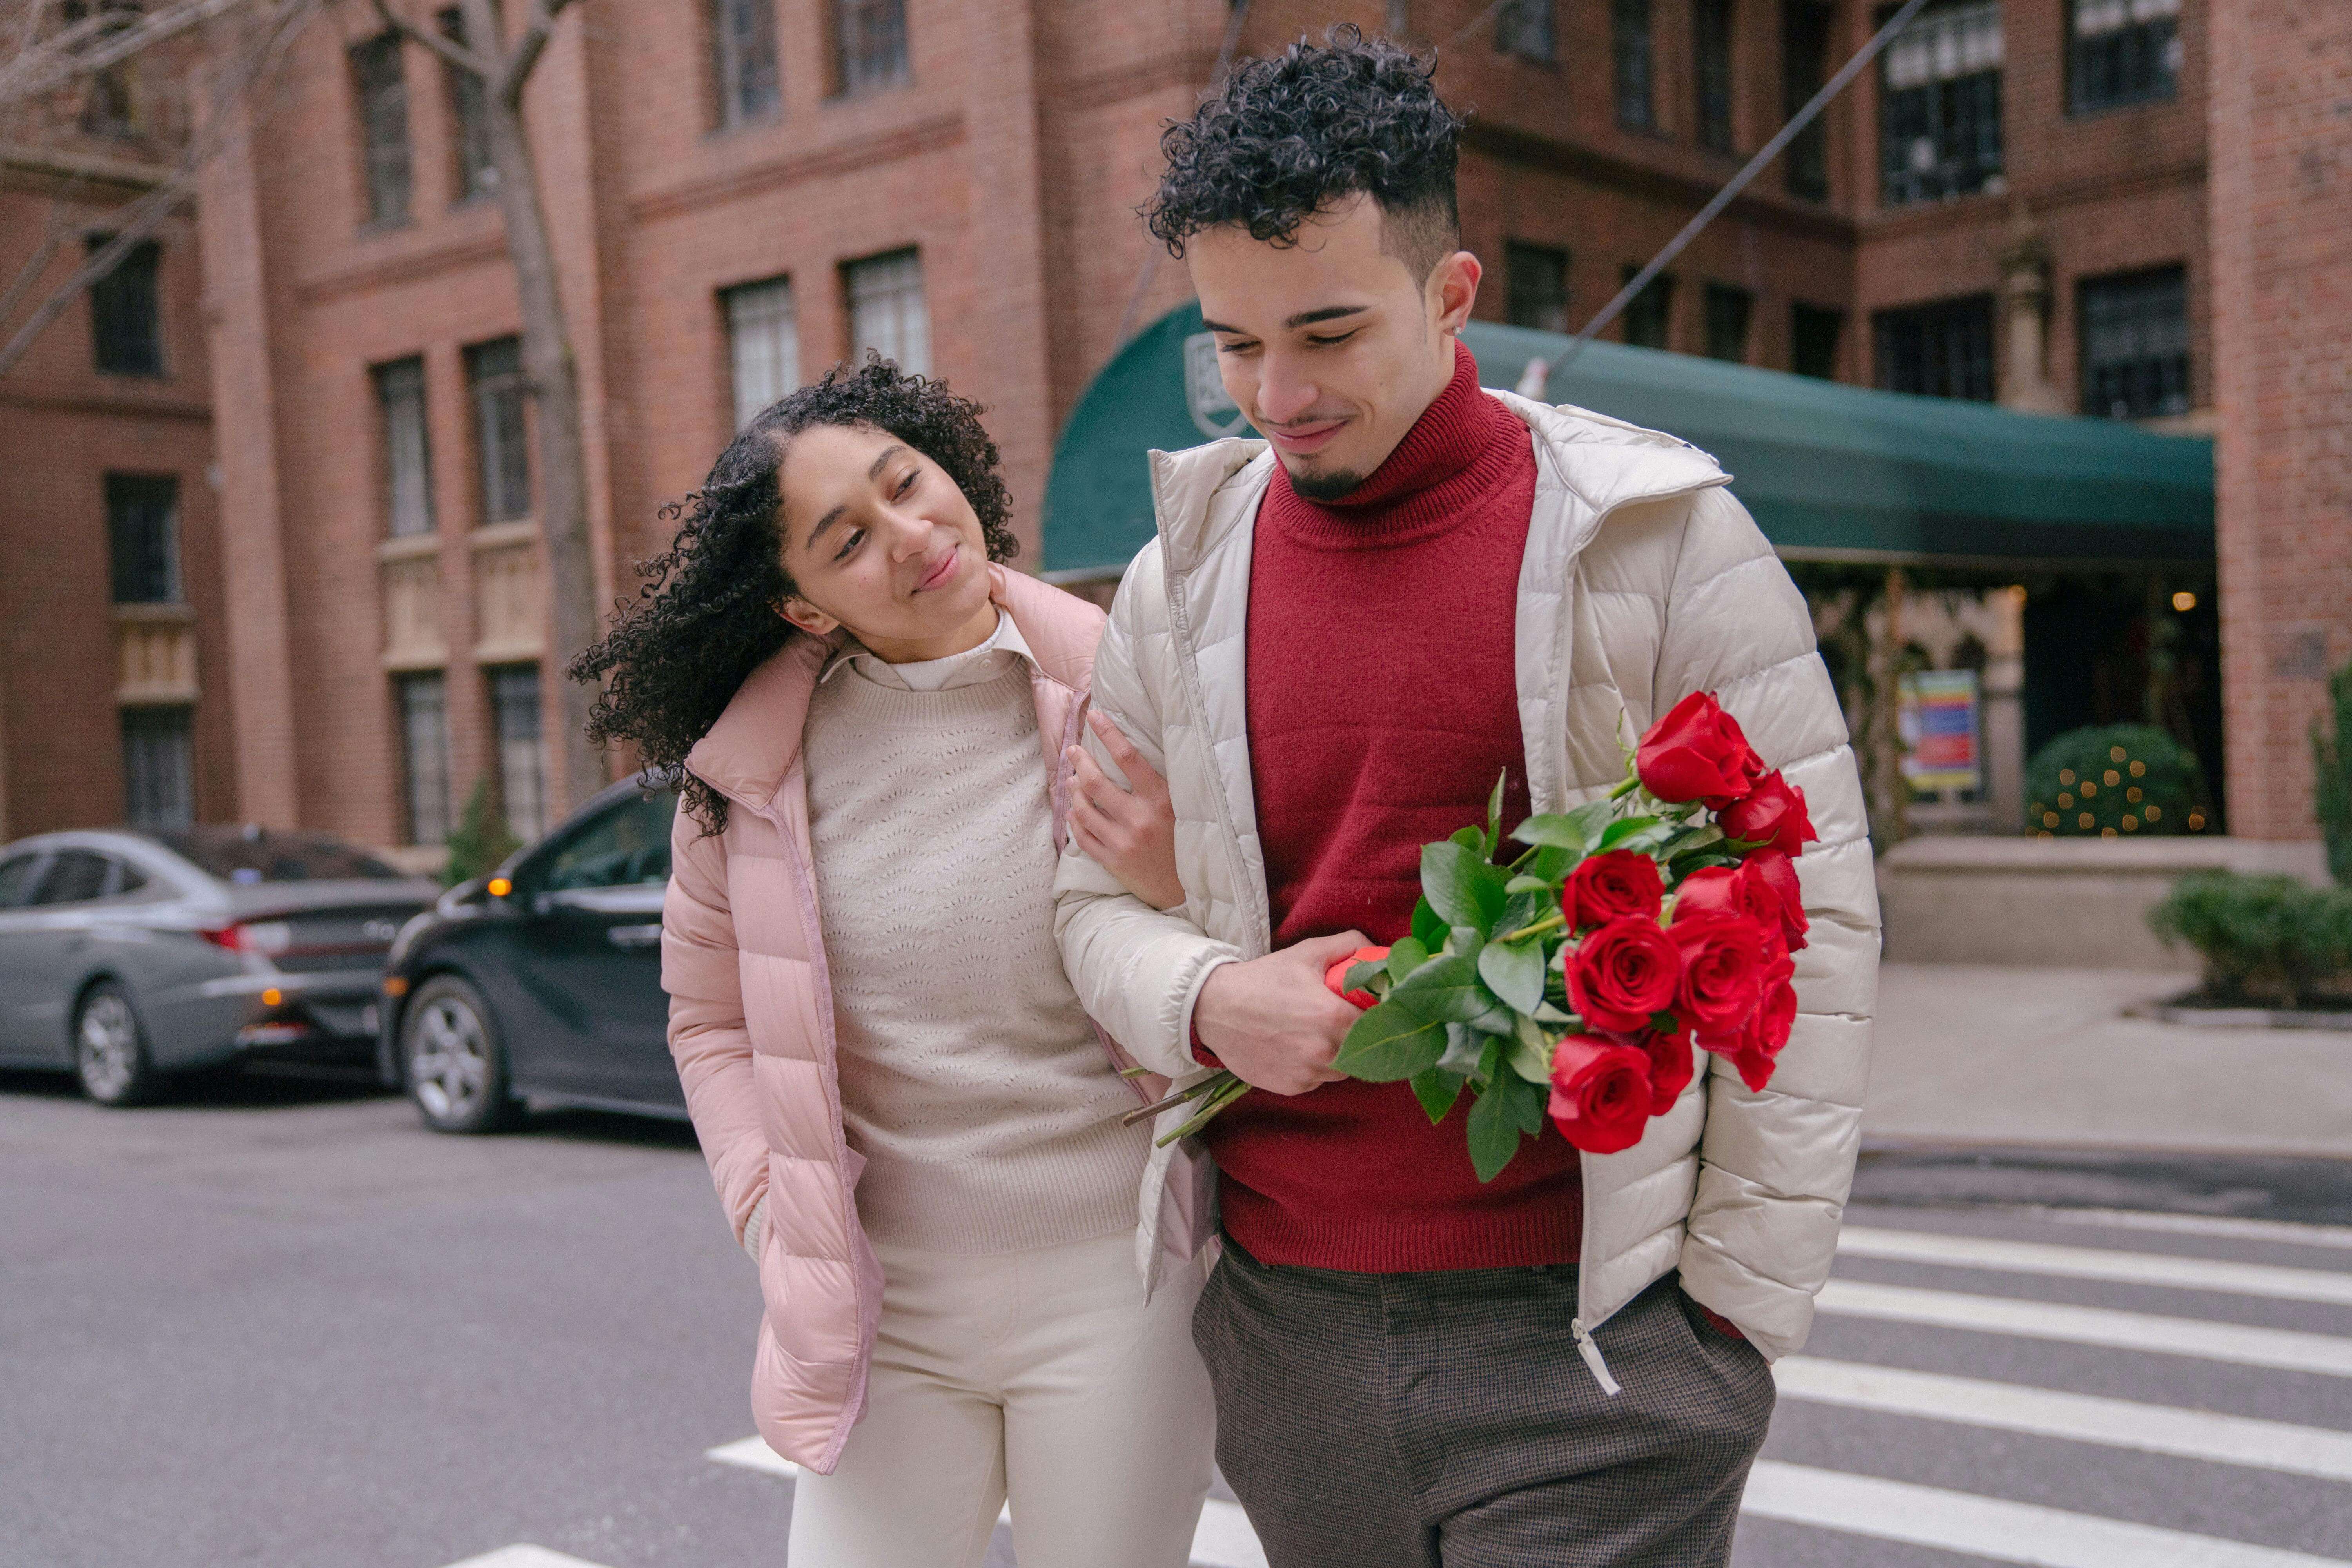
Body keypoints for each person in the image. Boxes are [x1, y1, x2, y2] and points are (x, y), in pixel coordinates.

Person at [1053, 29, 1879, 1568]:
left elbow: (1813, 924)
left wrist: (1731, 1321)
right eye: (1231, 345)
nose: (1275, 396)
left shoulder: (1661, 540)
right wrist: (1214, 993)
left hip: (1598, 1349)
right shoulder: (1178, 584)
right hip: (1289, 1343)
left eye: (1327, 331)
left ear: (1452, 294)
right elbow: (1087, 902)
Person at [572, 358, 1217, 1568]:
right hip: (884, 1314)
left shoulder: (1129, 686)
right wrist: (767, 1208)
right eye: (846, 539)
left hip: (1118, 1291)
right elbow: (706, 1020)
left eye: (906, 484)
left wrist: (1177, 880)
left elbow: (1239, 943)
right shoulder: (746, 779)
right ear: (808, 607)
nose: (912, 535)